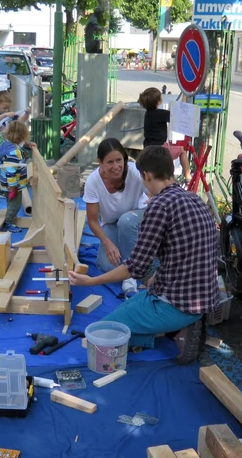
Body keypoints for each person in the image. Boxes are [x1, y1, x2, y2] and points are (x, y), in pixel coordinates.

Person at [69, 146, 219, 364]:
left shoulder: (158, 206)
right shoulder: (194, 199)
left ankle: (175, 330)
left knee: (103, 333)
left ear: (147, 176)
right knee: (132, 304)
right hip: (204, 298)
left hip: (176, 304)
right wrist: (158, 273)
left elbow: (135, 268)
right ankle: (177, 326)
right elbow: (186, 251)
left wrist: (92, 280)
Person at [83, 138, 148, 297]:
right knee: (105, 265)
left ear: (124, 159)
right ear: (100, 162)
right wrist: (107, 242)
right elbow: (92, 220)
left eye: (119, 160)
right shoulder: (93, 181)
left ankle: (131, 274)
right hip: (112, 224)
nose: (116, 166)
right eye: (110, 162)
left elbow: (158, 187)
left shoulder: (135, 172)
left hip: (135, 220)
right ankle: (138, 262)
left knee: (126, 221)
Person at [138, 87, 191, 181]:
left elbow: (168, 113)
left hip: (147, 148)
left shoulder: (149, 114)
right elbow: (176, 114)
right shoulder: (159, 114)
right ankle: (187, 175)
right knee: (182, 150)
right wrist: (184, 97)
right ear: (158, 101)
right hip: (160, 148)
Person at [0, 90, 29, 203]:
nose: (7, 110)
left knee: (6, 170)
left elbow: (20, 121)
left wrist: (26, 114)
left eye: (8, 108)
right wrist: (5, 115)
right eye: (4, 107)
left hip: (8, 149)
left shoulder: (10, 115)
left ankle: (3, 189)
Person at [0, 120, 36, 233]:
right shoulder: (13, 153)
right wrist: (13, 186)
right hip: (13, 186)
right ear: (20, 138)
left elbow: (21, 149)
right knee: (15, 205)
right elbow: (11, 171)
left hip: (9, 184)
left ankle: (9, 219)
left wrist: (28, 144)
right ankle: (8, 223)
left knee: (11, 203)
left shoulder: (8, 145)